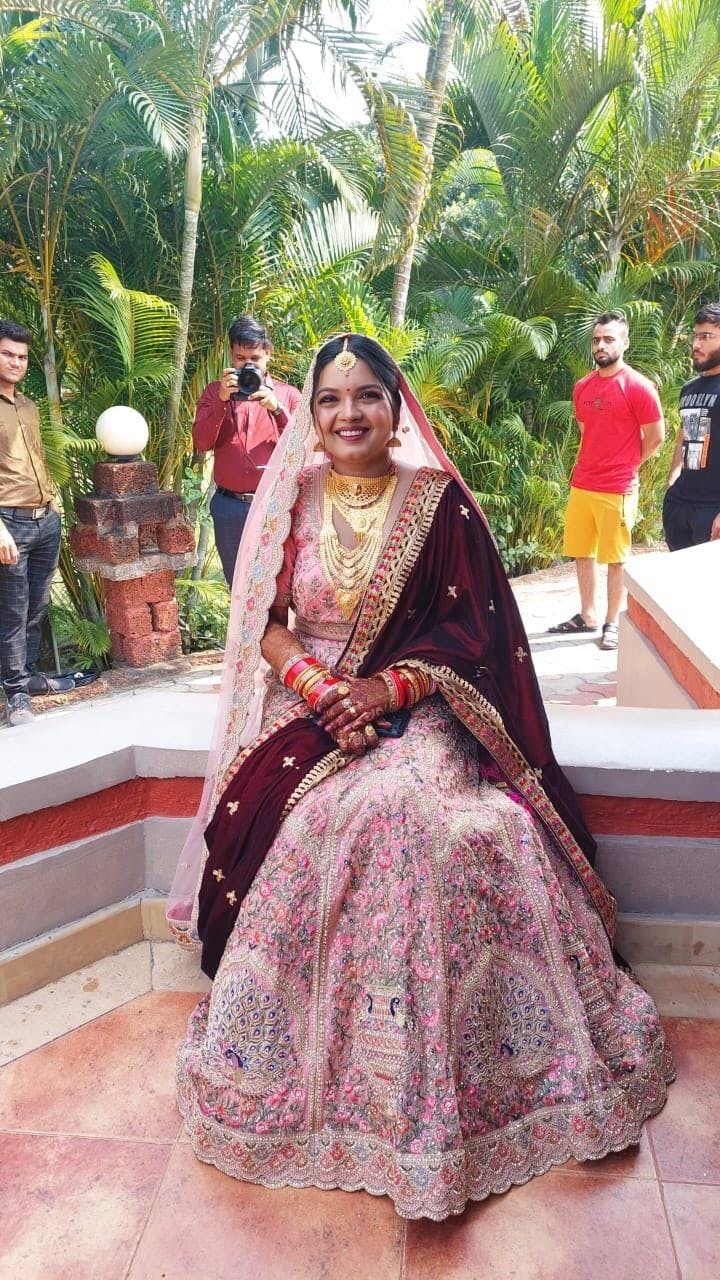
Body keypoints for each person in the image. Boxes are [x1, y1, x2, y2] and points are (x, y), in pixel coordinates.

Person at [168, 334, 672, 1221]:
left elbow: (478, 638)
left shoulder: (439, 505)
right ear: (310, 414)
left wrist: (386, 689)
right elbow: (267, 625)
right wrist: (322, 689)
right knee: (324, 818)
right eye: (330, 399)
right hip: (312, 704)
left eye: (367, 395)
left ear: (396, 408)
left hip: (423, 702)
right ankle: (320, 1068)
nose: (349, 413)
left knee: (400, 808)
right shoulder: (291, 498)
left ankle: (434, 1085)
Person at [549, 312, 664, 650]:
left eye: (609, 339)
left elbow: (656, 436)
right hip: (583, 483)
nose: (601, 345)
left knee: (616, 558)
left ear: (624, 343)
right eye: (597, 339)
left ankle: (612, 621)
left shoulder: (638, 386)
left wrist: (629, 463)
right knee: (582, 552)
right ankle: (587, 615)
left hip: (618, 487)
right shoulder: (582, 387)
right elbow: (587, 432)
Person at [0, 319, 73, 728]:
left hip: (45, 519)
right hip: (8, 523)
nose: (16, 362)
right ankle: (16, 697)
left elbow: (38, 459)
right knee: (13, 610)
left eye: (22, 356)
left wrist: (55, 504)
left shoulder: (27, 406)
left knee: (37, 606)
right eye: (8, 354)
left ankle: (25, 677)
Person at [192, 315, 302, 585]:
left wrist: (277, 410)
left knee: (279, 584)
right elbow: (201, 443)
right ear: (231, 355)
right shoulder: (214, 393)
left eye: (255, 358)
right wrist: (221, 401)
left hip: (275, 505)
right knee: (238, 585)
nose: (247, 365)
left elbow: (302, 448)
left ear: (268, 354)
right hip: (228, 507)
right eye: (240, 358)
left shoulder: (288, 396)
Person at [663, 302, 720, 549]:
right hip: (681, 505)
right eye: (695, 336)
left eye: (706, 336)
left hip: (714, 507)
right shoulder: (689, 389)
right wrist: (673, 477)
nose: (696, 344)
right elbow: (685, 434)